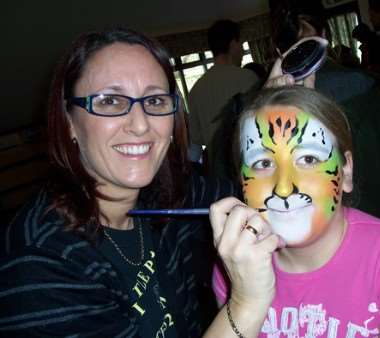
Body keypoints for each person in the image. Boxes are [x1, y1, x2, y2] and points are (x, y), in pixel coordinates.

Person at [0, 27, 281, 338]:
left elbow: (257, 197)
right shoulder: (38, 266)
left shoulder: (166, 192)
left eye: (156, 101)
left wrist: (273, 115)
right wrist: (247, 303)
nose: (140, 124)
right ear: (69, 122)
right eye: (110, 101)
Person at [212, 85, 380, 337]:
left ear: (345, 171)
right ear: (242, 181)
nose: (283, 187)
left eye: (308, 159)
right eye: (263, 163)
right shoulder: (237, 261)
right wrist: (243, 300)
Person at [268, 0, 380, 222]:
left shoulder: (254, 110)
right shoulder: (365, 87)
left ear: (277, 48)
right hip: (378, 223)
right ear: (326, 34)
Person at [188, 19, 259, 172]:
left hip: (219, 174)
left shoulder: (196, 90)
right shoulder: (248, 78)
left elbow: (197, 139)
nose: (242, 50)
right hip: (251, 165)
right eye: (241, 44)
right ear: (233, 44)